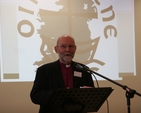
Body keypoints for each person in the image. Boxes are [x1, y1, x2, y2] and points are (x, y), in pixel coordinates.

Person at [30, 34, 94, 113]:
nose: (68, 50)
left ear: (75, 49)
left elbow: (92, 95)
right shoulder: (44, 70)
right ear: (56, 49)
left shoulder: (84, 70)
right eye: (63, 46)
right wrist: (58, 95)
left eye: (71, 46)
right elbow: (35, 96)